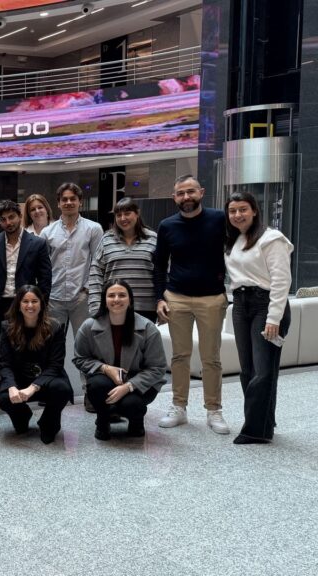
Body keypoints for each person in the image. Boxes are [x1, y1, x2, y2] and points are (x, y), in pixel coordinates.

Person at [154, 175, 230, 433]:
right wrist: (160, 298)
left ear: (202, 192)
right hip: (177, 298)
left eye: (191, 192)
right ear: (174, 197)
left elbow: (237, 249)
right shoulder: (167, 225)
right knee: (179, 356)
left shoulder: (219, 219)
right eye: (181, 193)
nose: (186, 197)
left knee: (211, 358)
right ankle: (179, 407)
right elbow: (159, 265)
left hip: (212, 298)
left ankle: (214, 410)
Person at [224, 191, 293, 444]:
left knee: (263, 371)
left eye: (243, 209)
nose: (237, 215)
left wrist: (274, 318)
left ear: (254, 210)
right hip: (241, 305)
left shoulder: (272, 238)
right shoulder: (234, 240)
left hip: (266, 306)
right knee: (248, 370)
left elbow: (281, 280)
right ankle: (263, 421)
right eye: (232, 211)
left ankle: (256, 430)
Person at [73, 280, 167, 440]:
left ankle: (136, 421)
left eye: (122, 295)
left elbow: (157, 368)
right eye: (111, 295)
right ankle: (103, 420)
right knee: (96, 385)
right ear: (105, 300)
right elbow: (80, 358)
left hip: (138, 384)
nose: (116, 299)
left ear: (130, 300)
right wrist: (104, 368)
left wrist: (129, 386)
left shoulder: (148, 328)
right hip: (105, 381)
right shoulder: (89, 326)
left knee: (132, 405)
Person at [41, 182, 104, 411]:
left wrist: (88, 289)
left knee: (87, 347)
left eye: (72, 199)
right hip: (54, 298)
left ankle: (90, 393)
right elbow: (44, 266)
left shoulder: (93, 229)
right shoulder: (47, 232)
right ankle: (51, 390)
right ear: (58, 203)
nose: (69, 202)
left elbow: (98, 262)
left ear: (80, 202)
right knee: (51, 348)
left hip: (82, 298)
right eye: (64, 199)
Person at [0, 285, 72, 444]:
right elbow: (5, 364)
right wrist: (11, 386)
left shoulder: (55, 327)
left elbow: (55, 365)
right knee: (3, 397)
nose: (30, 305)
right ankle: (23, 416)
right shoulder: (7, 327)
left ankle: (47, 423)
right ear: (18, 304)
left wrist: (34, 387)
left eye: (34, 301)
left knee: (62, 389)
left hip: (47, 379)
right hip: (20, 379)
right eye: (25, 301)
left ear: (41, 304)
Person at [0, 199, 52, 352]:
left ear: (20, 216)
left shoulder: (38, 243)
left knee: (24, 347)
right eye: (3, 219)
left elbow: (45, 279)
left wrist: (40, 305)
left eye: (11, 217)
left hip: (24, 303)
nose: (8, 222)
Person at [87, 198, 158, 322]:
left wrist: (162, 301)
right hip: (114, 306)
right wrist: (95, 305)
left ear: (137, 213)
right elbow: (95, 273)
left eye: (127, 213)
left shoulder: (153, 238)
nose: (123, 218)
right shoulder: (107, 239)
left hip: (146, 308)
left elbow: (163, 273)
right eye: (118, 215)